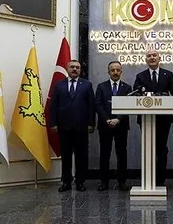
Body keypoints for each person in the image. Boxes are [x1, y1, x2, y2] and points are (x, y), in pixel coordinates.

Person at [133, 49, 173, 186]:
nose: (152, 57)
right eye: (149, 56)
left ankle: (160, 180)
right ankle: (148, 179)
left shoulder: (168, 74)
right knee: (148, 148)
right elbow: (136, 94)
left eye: (154, 55)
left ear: (159, 59)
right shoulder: (140, 76)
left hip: (164, 118)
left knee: (161, 149)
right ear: (146, 60)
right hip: (145, 118)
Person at [48, 59, 95, 192]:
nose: (75, 69)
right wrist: (53, 123)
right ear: (67, 69)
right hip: (64, 126)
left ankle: (80, 182)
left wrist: (91, 123)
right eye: (72, 67)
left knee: (81, 156)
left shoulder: (87, 85)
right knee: (66, 156)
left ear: (80, 70)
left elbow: (91, 106)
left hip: (81, 127)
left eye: (77, 67)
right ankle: (66, 182)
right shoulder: (59, 85)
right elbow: (53, 106)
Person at [95, 61, 132, 192]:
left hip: (121, 126)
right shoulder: (101, 86)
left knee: (121, 154)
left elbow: (129, 106)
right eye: (112, 70)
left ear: (121, 71)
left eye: (118, 70)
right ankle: (104, 182)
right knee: (105, 153)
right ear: (108, 72)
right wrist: (107, 120)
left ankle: (122, 182)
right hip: (105, 126)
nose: (115, 72)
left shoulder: (127, 87)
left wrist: (118, 119)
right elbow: (98, 104)